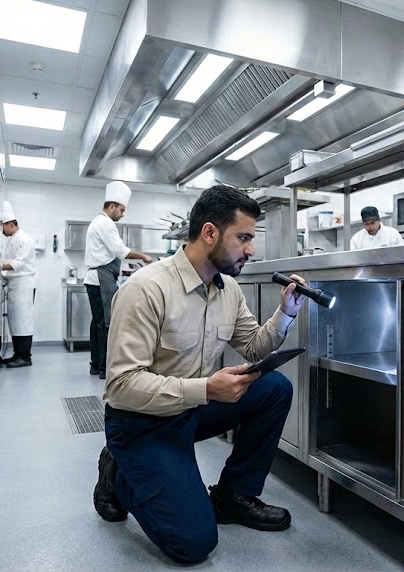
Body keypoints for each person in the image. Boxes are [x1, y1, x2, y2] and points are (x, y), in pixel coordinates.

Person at [92, 185, 307, 564]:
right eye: (243, 238)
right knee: (193, 543)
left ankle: (233, 496)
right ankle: (119, 472)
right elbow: (122, 387)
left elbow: (255, 347)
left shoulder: (228, 291)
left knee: (273, 387)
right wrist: (207, 388)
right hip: (140, 422)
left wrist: (285, 312)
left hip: (190, 411)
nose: (250, 249)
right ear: (209, 233)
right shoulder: (146, 289)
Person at [84, 181, 154, 379]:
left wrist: (124, 274)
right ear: (112, 206)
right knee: (107, 323)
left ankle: (96, 364)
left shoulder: (98, 222)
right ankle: (106, 367)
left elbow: (108, 257)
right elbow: (120, 252)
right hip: (100, 279)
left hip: (97, 278)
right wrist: (144, 257)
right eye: (122, 209)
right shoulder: (105, 223)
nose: (123, 214)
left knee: (97, 323)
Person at [0, 201, 37, 368]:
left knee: (23, 320)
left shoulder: (25, 239)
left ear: (10, 224)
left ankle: (24, 357)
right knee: (15, 320)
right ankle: (17, 354)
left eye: (3, 227)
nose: (2, 231)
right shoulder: (13, 239)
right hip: (14, 285)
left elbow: (17, 263)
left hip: (23, 285)